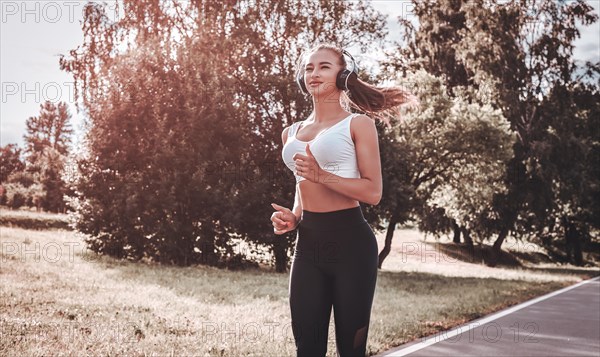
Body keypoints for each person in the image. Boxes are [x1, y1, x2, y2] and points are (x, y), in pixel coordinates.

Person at [270, 43, 419, 357]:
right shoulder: (291, 132)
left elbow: (373, 192)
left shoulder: (358, 125)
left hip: (351, 245)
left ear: (343, 74)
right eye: (309, 68)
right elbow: (302, 185)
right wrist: (294, 217)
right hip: (308, 245)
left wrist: (322, 175)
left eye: (324, 66)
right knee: (306, 349)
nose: (314, 73)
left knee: (350, 351)